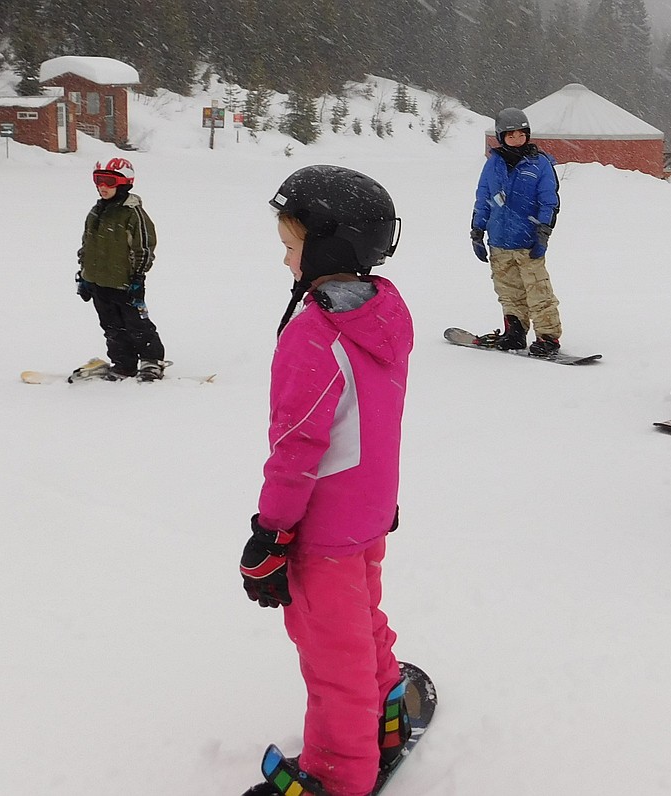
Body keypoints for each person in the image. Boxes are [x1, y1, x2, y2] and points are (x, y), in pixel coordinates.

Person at [240, 165, 413, 796]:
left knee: (331, 656)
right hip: (368, 514)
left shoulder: (315, 334)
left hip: (324, 531)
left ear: (326, 246)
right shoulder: (383, 315)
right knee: (361, 623)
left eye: (291, 246)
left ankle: (339, 774)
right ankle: (389, 699)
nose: (286, 260)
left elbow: (296, 449)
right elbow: (377, 418)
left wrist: (272, 535)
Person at [470, 107, 563, 356]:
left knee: (538, 291)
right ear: (501, 137)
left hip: (528, 241)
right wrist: (477, 230)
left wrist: (543, 232)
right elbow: (484, 197)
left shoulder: (539, 163)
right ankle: (515, 332)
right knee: (508, 291)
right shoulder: (494, 164)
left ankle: (547, 338)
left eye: (522, 135)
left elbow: (549, 201)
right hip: (499, 241)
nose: (517, 140)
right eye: (511, 135)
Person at [75, 157, 165, 381]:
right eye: (98, 180)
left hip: (124, 282)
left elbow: (144, 247)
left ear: (124, 182)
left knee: (136, 324)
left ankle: (151, 360)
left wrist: (138, 278)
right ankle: (123, 363)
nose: (102, 186)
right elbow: (88, 245)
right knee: (111, 326)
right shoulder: (96, 212)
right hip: (98, 282)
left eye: (109, 181)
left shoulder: (132, 214)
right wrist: (84, 276)